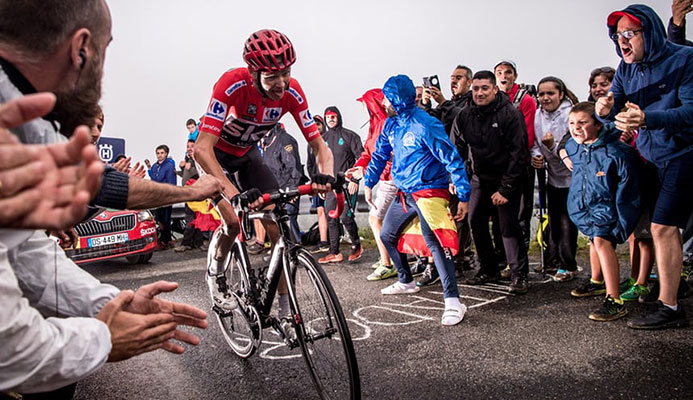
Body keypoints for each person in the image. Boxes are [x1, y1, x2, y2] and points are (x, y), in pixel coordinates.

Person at [194, 29, 334, 313]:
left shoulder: (292, 91)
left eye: (286, 72)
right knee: (233, 222)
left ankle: (284, 308)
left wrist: (327, 175)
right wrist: (234, 195)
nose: (281, 83)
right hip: (215, 157)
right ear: (252, 72)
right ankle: (216, 274)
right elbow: (201, 149)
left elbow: (320, 146)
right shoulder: (231, 85)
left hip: (246, 156)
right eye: (272, 76)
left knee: (276, 225)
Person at [597, 5, 693, 329]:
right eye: (618, 34)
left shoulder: (684, 59)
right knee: (661, 230)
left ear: (649, 32)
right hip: (650, 158)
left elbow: (691, 113)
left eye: (630, 33)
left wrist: (648, 118)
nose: (622, 41)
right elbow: (615, 106)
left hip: (683, 153)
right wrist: (605, 109)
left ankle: (670, 308)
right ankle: (673, 288)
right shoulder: (625, 68)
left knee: (662, 228)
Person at [364, 74, 471, 326]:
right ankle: (406, 281)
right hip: (405, 193)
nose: (383, 103)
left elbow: (451, 158)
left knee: (436, 243)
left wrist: (463, 195)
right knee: (388, 235)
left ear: (397, 99)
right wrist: (368, 182)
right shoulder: (391, 125)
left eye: (387, 99)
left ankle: (453, 301)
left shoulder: (425, 124)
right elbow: (379, 154)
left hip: (429, 191)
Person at [451, 70, 530, 294]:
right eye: (476, 88)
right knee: (475, 221)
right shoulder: (464, 116)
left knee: (507, 227)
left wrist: (505, 188)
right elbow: (456, 150)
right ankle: (488, 269)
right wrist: (457, 180)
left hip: (507, 178)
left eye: (485, 88)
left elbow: (519, 153)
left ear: (495, 89)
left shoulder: (510, 114)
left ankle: (519, 274)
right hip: (479, 178)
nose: (479, 93)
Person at [565, 102, 641, 321]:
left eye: (582, 122)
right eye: (572, 123)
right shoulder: (574, 146)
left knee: (601, 242)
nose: (576, 128)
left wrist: (623, 218)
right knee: (593, 240)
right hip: (585, 206)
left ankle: (614, 299)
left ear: (598, 124)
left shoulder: (617, 151)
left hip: (607, 207)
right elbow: (568, 153)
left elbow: (628, 188)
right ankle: (597, 282)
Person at [420, 64, 476, 280]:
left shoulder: (471, 101)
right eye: (452, 77)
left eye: (459, 77)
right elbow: (429, 122)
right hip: (445, 167)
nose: (454, 81)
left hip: (464, 165)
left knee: (461, 216)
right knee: (453, 215)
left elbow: (466, 120)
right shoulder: (449, 104)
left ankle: (460, 259)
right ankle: (458, 256)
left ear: (469, 81)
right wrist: (426, 103)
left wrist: (443, 102)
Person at [531, 77, 579, 281]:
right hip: (552, 176)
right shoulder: (537, 114)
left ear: (561, 94)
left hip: (572, 176)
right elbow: (534, 142)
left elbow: (571, 148)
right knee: (554, 220)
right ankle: (552, 260)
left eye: (550, 93)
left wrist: (551, 147)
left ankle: (568, 266)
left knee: (568, 222)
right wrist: (537, 156)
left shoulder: (571, 114)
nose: (545, 98)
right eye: (541, 94)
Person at [349, 88, 398, 280]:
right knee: (381, 220)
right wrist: (358, 167)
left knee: (375, 219)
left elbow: (388, 158)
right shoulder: (374, 124)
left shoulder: (385, 124)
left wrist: (368, 173)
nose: (362, 107)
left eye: (363, 103)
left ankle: (388, 263)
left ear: (372, 104)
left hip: (391, 179)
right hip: (383, 179)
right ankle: (386, 256)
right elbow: (368, 154)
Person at [494, 60, 537, 252]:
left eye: (508, 72)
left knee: (520, 213)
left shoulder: (525, 100)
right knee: (498, 214)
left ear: (515, 76)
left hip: (520, 165)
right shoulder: (492, 98)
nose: (504, 76)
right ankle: (503, 254)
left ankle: (521, 254)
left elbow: (526, 137)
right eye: (500, 72)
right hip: (498, 165)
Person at [318, 106, 364, 264]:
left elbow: (361, 159)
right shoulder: (322, 139)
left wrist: (355, 180)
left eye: (333, 116)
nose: (330, 119)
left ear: (339, 117)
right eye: (328, 117)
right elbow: (321, 164)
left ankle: (356, 244)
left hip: (347, 184)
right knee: (331, 218)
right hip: (330, 186)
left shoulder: (350, 136)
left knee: (346, 217)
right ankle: (334, 252)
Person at [260, 123, 304, 241]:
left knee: (289, 221)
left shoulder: (284, 140)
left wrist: (293, 189)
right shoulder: (266, 142)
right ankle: (282, 252)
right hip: (274, 189)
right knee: (277, 223)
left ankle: (295, 250)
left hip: (288, 190)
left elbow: (294, 166)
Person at [305, 114, 330, 253]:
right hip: (316, 185)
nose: (316, 127)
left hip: (328, 184)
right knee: (320, 211)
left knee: (331, 213)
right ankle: (323, 241)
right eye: (314, 124)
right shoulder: (310, 144)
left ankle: (333, 240)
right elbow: (310, 165)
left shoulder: (328, 140)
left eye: (319, 124)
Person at [175, 139, 204, 252]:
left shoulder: (199, 160)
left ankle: (190, 243)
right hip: (189, 193)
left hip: (197, 193)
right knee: (191, 218)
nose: (189, 148)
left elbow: (200, 174)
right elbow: (185, 176)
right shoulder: (189, 160)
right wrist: (179, 171)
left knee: (194, 218)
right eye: (188, 146)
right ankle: (195, 243)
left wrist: (189, 168)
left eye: (192, 146)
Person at [147, 144, 177, 250]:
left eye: (162, 153)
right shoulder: (155, 166)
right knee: (159, 219)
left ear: (166, 154)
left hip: (166, 196)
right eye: (158, 153)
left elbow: (166, 180)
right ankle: (164, 239)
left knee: (166, 219)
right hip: (157, 197)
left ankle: (166, 240)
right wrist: (150, 169)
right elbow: (154, 179)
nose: (159, 155)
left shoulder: (168, 166)